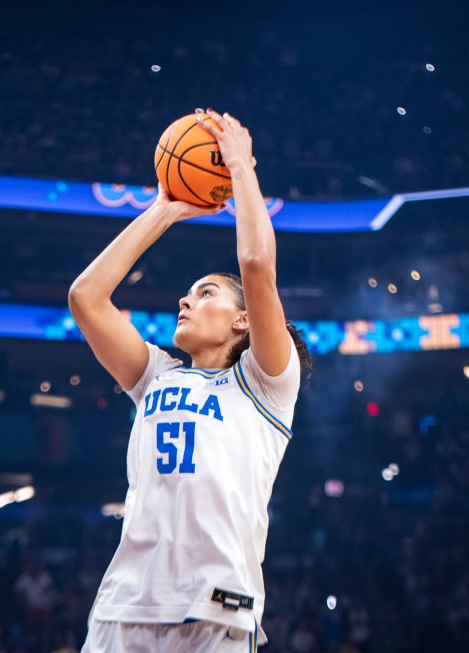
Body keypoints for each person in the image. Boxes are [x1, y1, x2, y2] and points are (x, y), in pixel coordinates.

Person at [68, 109, 311, 652]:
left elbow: (256, 264)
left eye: (206, 293)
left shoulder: (266, 385)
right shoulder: (155, 376)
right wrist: (164, 208)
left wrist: (241, 167)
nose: (185, 299)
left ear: (243, 319)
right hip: (124, 607)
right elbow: (86, 297)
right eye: (188, 292)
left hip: (216, 610)